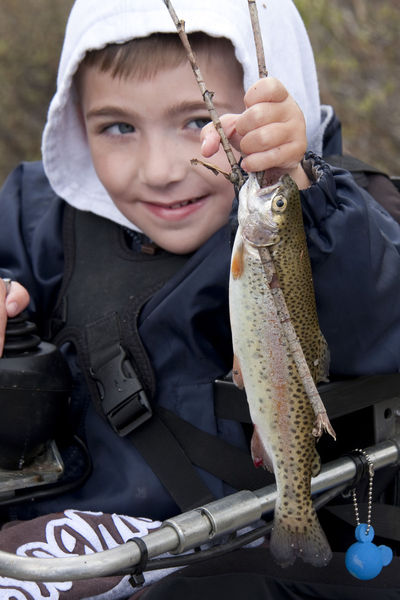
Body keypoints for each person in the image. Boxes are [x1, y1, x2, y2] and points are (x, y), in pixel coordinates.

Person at [0, 0, 399, 528]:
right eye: (118, 128)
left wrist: (304, 197)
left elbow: (379, 322)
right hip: (57, 540)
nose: (160, 171)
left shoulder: (334, 220)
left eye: (197, 122)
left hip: (232, 553)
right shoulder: (37, 220)